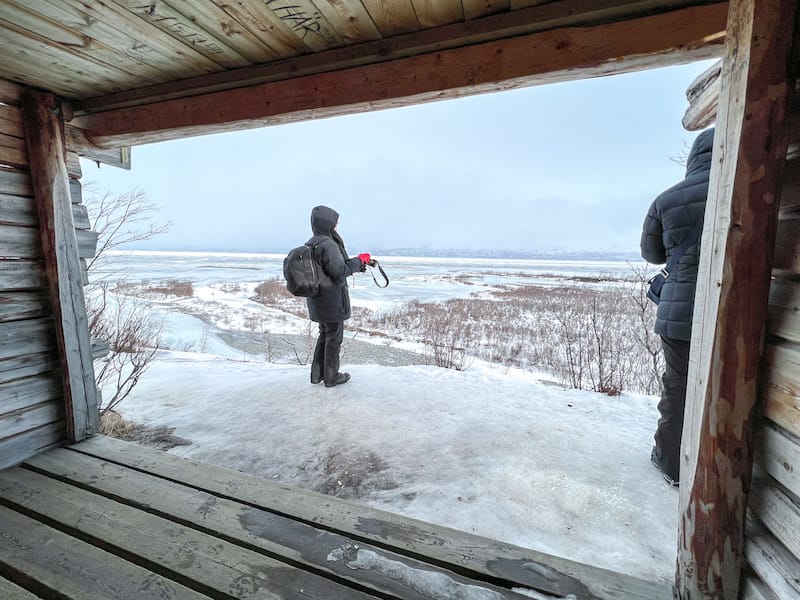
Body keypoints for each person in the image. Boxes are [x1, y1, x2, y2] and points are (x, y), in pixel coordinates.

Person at [640, 127, 714, 486]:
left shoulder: (667, 200)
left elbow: (651, 254)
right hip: (735, 315)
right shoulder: (751, 187)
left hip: (678, 315)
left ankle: (669, 461)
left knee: (678, 387)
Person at [305, 205, 371, 387]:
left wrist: (357, 263)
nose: (337, 227)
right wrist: (359, 260)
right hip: (332, 301)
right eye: (335, 223)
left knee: (325, 334)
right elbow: (339, 271)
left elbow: (333, 268)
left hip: (318, 300)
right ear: (328, 224)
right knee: (334, 338)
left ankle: (317, 375)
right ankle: (332, 377)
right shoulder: (329, 244)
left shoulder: (312, 243)